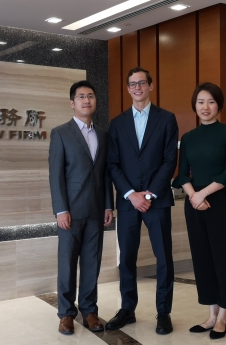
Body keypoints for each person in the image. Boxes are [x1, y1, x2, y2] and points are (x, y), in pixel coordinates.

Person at [106, 67, 179, 335]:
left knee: (164, 258)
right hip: (127, 202)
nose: (137, 87)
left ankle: (163, 312)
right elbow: (113, 164)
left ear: (150, 86)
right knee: (127, 257)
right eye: (133, 84)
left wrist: (149, 194)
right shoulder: (118, 123)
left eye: (142, 83)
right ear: (128, 89)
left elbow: (170, 160)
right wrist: (131, 194)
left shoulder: (167, 119)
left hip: (156, 201)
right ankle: (127, 309)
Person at [172, 82, 226, 340]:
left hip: (219, 202)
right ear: (195, 105)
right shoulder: (188, 138)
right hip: (195, 205)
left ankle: (223, 317)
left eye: (211, 102)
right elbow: (182, 174)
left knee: (222, 259)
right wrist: (193, 195)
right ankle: (211, 315)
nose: (205, 107)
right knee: (202, 259)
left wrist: (202, 193)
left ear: (219, 105)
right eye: (200, 102)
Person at [48, 80, 114, 335]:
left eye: (90, 96)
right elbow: (56, 176)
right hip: (71, 213)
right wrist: (61, 209)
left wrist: (109, 205)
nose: (86, 100)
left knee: (91, 263)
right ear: (72, 103)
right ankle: (66, 314)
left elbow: (105, 174)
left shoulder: (103, 135)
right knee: (67, 263)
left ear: (95, 101)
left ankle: (89, 311)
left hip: (97, 211)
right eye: (81, 97)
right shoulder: (61, 133)